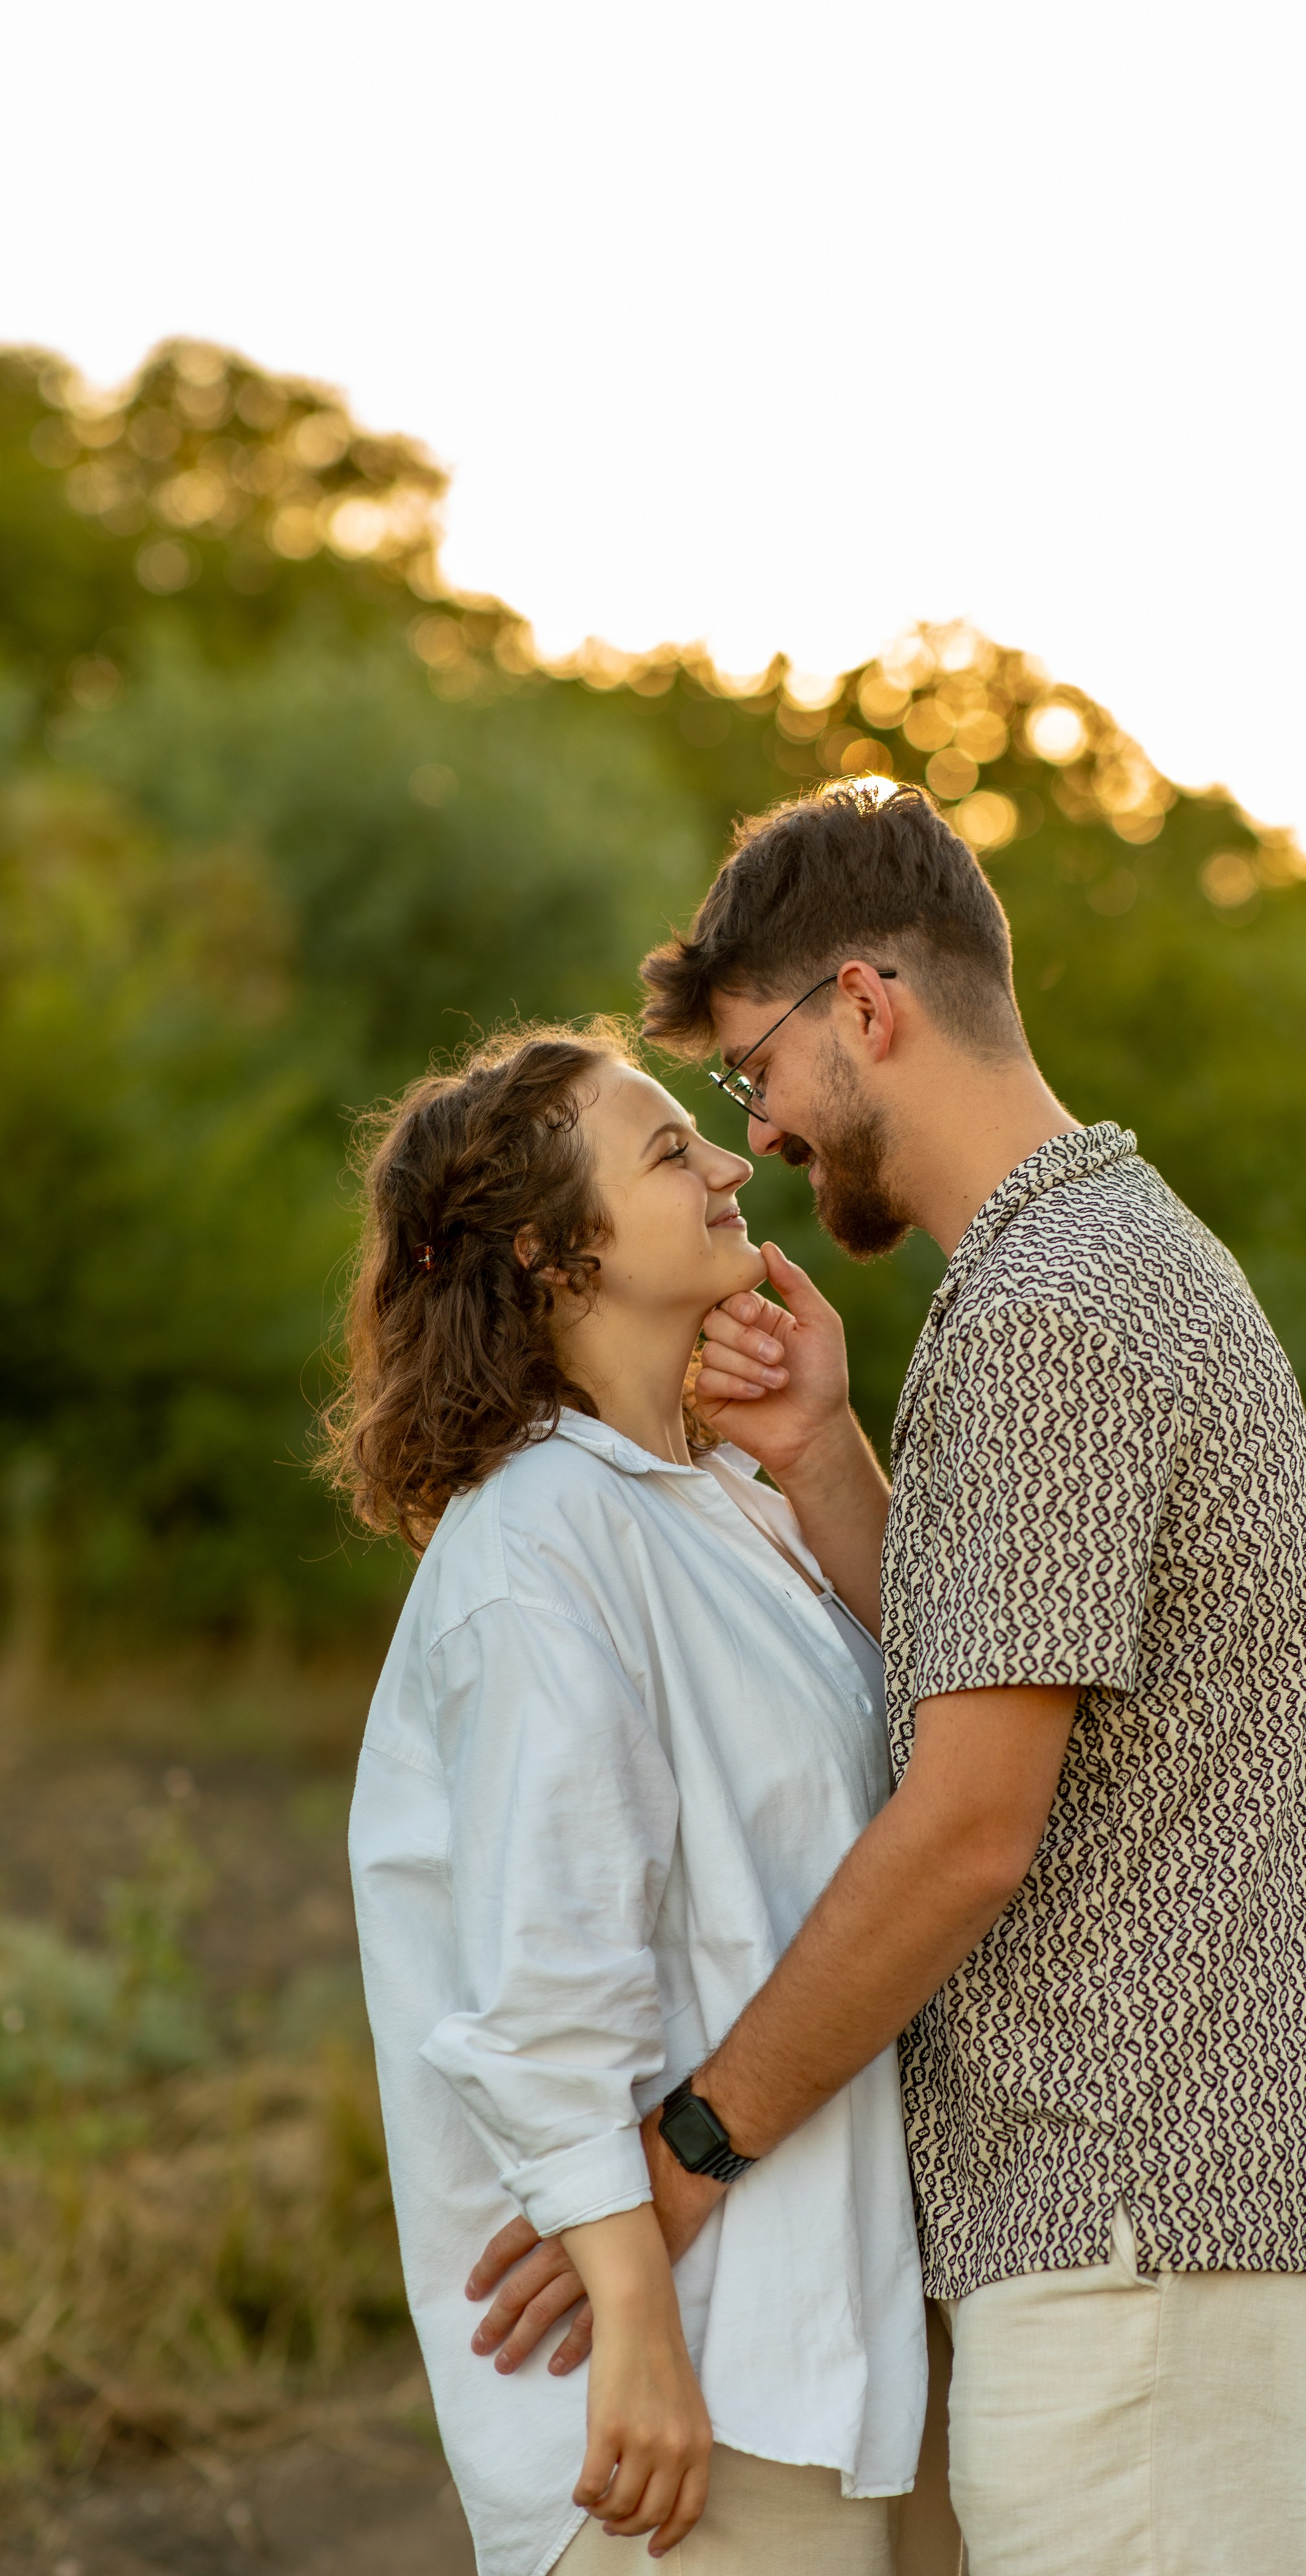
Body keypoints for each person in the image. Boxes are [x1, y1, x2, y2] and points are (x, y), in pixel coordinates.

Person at [470, 782, 1306, 2576]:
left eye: (754, 1065)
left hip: (1139, 2197)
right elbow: (998, 1673)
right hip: (1139, 2213)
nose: (751, 1129)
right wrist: (830, 1460)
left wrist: (679, 2159)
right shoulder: (1087, 1262)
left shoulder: (1049, 1316)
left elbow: (969, 1829)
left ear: (867, 1005)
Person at [325, 1022, 929, 2576]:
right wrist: (641, 2339)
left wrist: (819, 1450)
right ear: (551, 1255)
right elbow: (543, 1992)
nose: (733, 1164)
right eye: (671, 1153)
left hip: (818, 2350)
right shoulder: (538, 1546)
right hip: (674, 2411)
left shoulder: (721, 1510)